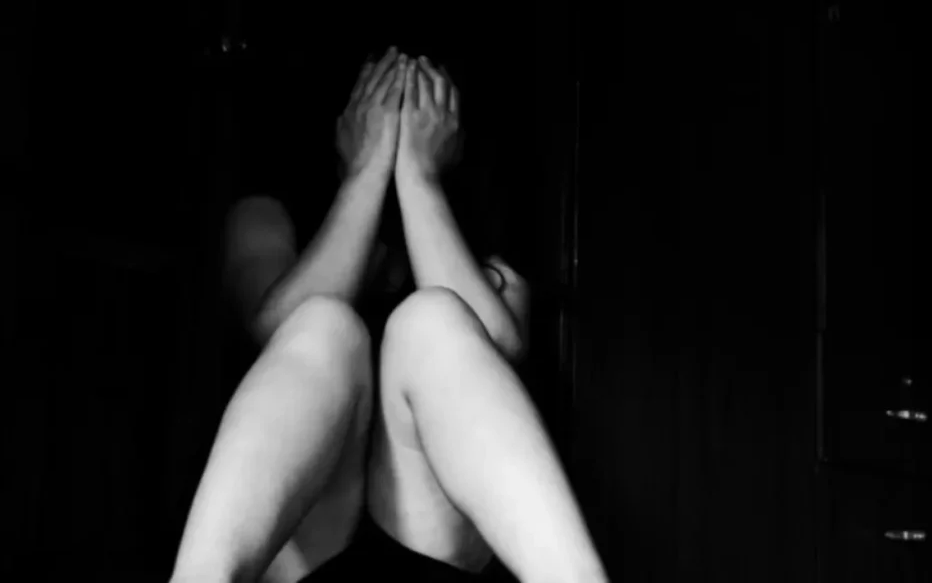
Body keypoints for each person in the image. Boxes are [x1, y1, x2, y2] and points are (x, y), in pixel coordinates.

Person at [169, 46, 608, 583]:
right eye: (381, 105)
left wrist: (418, 177)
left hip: (431, 537)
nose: (397, 122)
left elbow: (499, 343)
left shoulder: (484, 245)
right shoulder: (267, 215)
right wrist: (367, 172)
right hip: (301, 542)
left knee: (433, 322)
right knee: (323, 328)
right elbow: (273, 326)